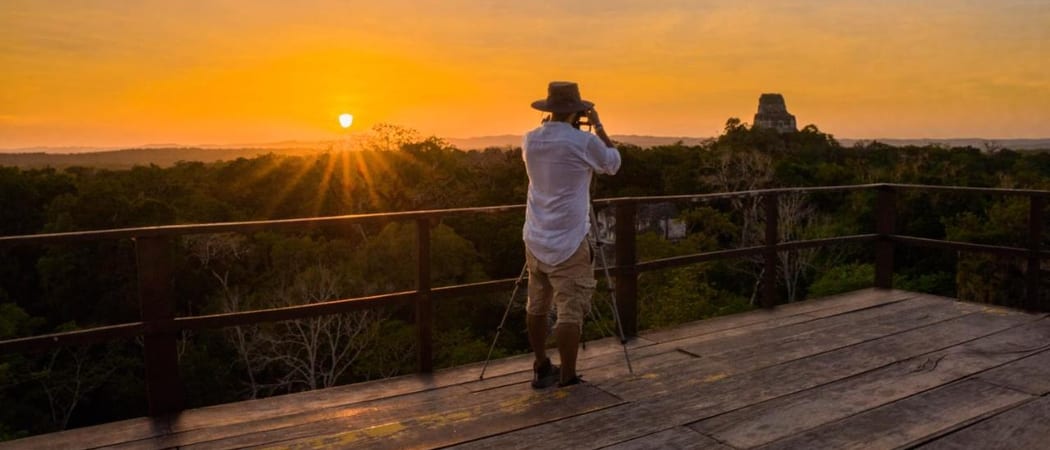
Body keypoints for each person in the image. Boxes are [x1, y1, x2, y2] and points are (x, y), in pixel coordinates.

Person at [522, 81, 621, 388]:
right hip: (569, 240)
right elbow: (613, 164)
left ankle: (541, 365)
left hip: (536, 236)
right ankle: (567, 376)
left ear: (549, 109)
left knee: (536, 306)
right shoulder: (583, 142)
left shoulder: (529, 140)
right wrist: (598, 127)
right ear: (577, 111)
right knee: (570, 311)